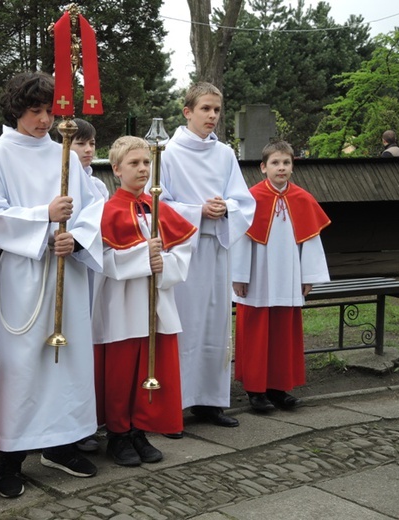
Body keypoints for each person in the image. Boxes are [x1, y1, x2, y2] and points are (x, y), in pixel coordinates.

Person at [0, 72, 105, 499]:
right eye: (36, 111)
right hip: (25, 275)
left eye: (50, 110)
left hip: (68, 268)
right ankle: (10, 456)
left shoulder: (64, 152)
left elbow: (94, 206)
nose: (45, 119)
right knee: (22, 364)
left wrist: (76, 237)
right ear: (16, 110)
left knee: (66, 362)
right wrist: (45, 220)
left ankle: (62, 443)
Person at [157, 82, 256, 434]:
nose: (212, 115)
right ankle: (174, 406)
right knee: (184, 327)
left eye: (216, 110)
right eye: (205, 109)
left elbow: (244, 200)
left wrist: (226, 206)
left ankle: (210, 402)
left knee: (215, 325)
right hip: (184, 251)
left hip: (216, 248)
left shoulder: (225, 154)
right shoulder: (168, 154)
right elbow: (160, 204)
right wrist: (197, 210)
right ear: (187, 112)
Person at [92, 136, 196, 465]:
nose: (142, 169)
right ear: (116, 169)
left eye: (146, 163)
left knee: (150, 368)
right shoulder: (106, 211)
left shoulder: (157, 209)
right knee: (122, 371)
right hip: (120, 303)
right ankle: (118, 435)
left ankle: (140, 429)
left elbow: (183, 248)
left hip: (156, 300)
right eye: (134, 163)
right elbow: (100, 258)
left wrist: (163, 263)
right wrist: (141, 257)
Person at [232, 141, 331, 412]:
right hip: (257, 278)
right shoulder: (250, 199)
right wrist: (239, 276)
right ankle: (255, 391)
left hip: (288, 277)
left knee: (282, 333)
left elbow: (310, 241)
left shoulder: (303, 199)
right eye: (275, 163)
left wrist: (307, 276)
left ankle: (278, 388)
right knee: (256, 332)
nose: (281, 168)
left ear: (292, 166)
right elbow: (240, 240)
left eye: (286, 163)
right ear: (263, 167)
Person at [68, 117, 109, 453]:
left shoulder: (98, 186)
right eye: (81, 143)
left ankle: (89, 418)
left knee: (88, 345)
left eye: (92, 143)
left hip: (92, 268)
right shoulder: (60, 178)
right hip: (65, 268)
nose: (88, 149)